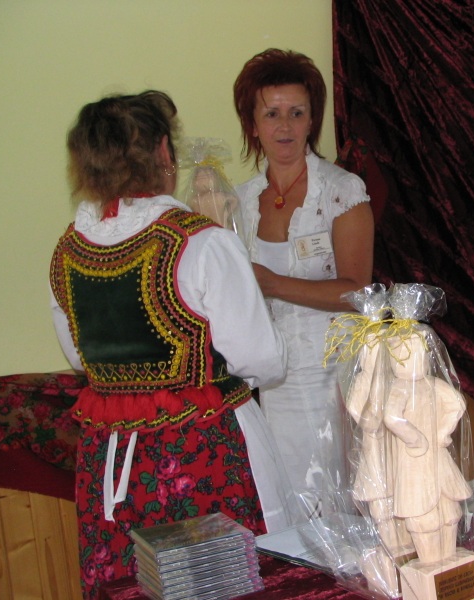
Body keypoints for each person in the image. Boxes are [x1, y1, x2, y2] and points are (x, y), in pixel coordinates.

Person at [49, 90, 291, 599]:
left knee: (131, 581)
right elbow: (261, 360)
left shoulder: (69, 249)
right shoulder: (199, 242)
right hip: (200, 449)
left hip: (111, 458)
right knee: (220, 582)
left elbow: (79, 356)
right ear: (163, 151)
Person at [232, 48, 375, 517]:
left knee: (338, 505)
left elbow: (357, 292)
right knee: (286, 508)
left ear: (313, 120)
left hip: (334, 376)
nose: (285, 126)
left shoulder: (341, 191)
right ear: (252, 124)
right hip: (270, 382)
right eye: (271, 114)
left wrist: (271, 283)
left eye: (297, 113)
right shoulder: (239, 202)